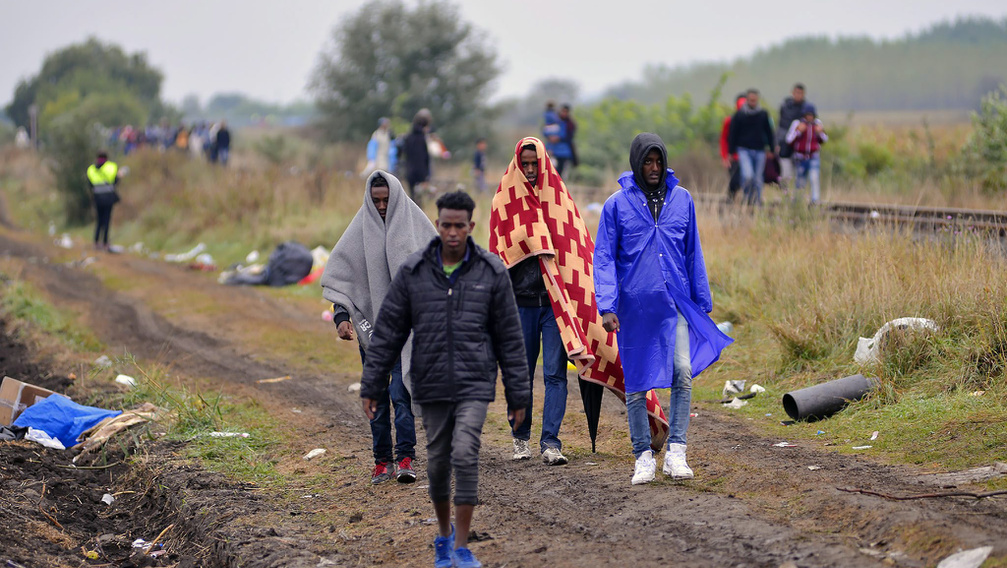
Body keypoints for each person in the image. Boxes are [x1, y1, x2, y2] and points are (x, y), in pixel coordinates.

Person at [360, 190, 529, 568]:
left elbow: (510, 338)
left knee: (466, 453)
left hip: (474, 381)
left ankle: (464, 547)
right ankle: (443, 535)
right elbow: (388, 331)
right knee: (437, 461)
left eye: (460, 226)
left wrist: (519, 395)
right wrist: (373, 384)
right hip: (431, 381)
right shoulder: (415, 271)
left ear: (471, 226)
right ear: (437, 226)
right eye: (446, 225)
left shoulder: (491, 271)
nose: (453, 232)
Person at [594, 133, 732, 485]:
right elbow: (605, 257)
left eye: (658, 161)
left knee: (682, 372)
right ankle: (643, 455)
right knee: (637, 383)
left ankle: (676, 452)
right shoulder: (616, 205)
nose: (654, 168)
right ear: (636, 163)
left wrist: (701, 301)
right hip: (635, 309)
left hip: (675, 304)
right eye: (647, 162)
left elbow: (692, 251)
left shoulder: (682, 200)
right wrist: (607, 305)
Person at [321, 171, 436, 484]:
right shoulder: (359, 229)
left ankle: (406, 457)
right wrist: (342, 318)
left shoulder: (416, 225)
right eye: (376, 201)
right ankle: (382, 461)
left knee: (402, 392)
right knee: (378, 395)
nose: (382, 206)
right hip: (372, 331)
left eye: (386, 200)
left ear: (396, 195)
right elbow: (342, 278)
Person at [490, 139, 570, 466]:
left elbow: (572, 246)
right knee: (520, 374)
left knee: (555, 373)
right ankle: (520, 438)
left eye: (535, 163)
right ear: (517, 163)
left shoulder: (558, 199)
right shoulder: (503, 201)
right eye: (525, 164)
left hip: (553, 304)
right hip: (519, 304)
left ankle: (550, 442)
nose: (531, 170)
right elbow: (498, 255)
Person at [728, 88, 776, 206]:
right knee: (748, 175)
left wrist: (772, 148)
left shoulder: (763, 114)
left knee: (758, 178)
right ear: (747, 100)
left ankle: (757, 201)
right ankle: (747, 197)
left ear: (757, 100)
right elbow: (733, 133)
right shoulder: (739, 115)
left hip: (759, 150)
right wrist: (731, 152)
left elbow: (769, 132)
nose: (752, 102)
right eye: (750, 100)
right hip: (744, 149)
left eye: (755, 100)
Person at [785, 104, 828, 204]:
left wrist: (820, 132)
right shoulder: (797, 123)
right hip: (800, 158)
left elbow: (825, 139)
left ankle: (815, 201)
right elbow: (789, 140)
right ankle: (798, 201)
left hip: (813, 157)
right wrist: (798, 132)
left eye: (811, 115)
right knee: (800, 181)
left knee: (814, 178)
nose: (809, 117)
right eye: (807, 115)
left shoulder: (817, 124)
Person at [85, 151, 121, 251]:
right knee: (106, 220)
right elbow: (115, 181)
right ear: (107, 158)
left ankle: (96, 242)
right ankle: (105, 243)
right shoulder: (111, 167)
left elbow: (90, 184)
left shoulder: (91, 169)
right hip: (108, 198)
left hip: (97, 198)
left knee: (99, 220)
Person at [777, 83, 808, 191]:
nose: (798, 95)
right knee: (785, 173)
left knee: (800, 174)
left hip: (800, 147)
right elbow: (780, 126)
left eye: (800, 93)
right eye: (796, 93)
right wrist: (778, 143)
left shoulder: (807, 109)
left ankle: (798, 198)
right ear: (792, 93)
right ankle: (784, 195)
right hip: (785, 145)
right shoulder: (785, 106)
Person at [719, 94, 747, 202]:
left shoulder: (753, 121)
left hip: (748, 156)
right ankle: (730, 200)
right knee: (735, 180)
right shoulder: (729, 121)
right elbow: (723, 139)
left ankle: (746, 202)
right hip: (734, 157)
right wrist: (725, 156)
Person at [401, 115, 431, 204]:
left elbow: (404, 153)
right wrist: (426, 174)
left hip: (409, 170)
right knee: (420, 197)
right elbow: (426, 157)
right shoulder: (422, 138)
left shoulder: (408, 137)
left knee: (412, 196)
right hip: (421, 171)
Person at [542, 102, 573, 177]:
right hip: (553, 151)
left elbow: (567, 137)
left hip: (563, 152)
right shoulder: (556, 122)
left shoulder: (569, 124)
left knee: (559, 174)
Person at [559, 104, 579, 172]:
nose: (564, 113)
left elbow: (569, 137)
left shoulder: (570, 124)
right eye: (563, 111)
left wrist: (559, 139)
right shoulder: (555, 121)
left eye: (565, 111)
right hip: (553, 150)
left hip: (565, 150)